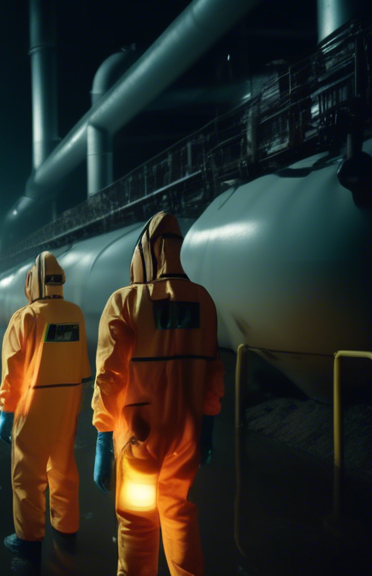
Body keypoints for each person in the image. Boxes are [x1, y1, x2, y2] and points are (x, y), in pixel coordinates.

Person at [91, 212, 224, 576]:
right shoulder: (203, 301)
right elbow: (214, 371)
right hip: (188, 434)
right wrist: (207, 424)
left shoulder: (125, 301)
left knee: (137, 520)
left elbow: (110, 375)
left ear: (146, 253)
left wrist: (103, 435)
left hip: (140, 436)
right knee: (178, 510)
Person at [0, 251, 91, 555]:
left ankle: (28, 538)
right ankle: (67, 525)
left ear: (33, 282)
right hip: (68, 401)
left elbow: (13, 369)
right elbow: (82, 365)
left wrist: (5, 409)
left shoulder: (26, 316)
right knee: (63, 466)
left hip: (34, 403)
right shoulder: (74, 313)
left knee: (28, 471)